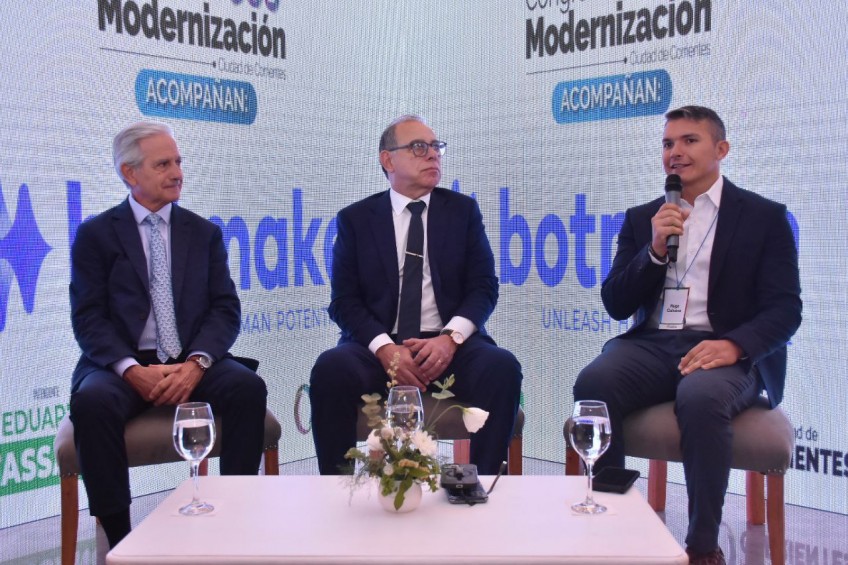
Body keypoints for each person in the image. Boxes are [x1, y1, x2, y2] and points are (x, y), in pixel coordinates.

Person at [573, 106, 801, 565]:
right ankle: (611, 524)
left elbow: (785, 309)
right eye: (667, 143)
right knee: (594, 383)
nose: (675, 152)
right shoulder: (644, 219)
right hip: (654, 344)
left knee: (701, 398)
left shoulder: (764, 217)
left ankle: (701, 547)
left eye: (689, 141)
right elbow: (616, 303)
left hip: (725, 348)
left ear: (721, 149)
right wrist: (655, 251)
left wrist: (735, 346)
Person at [69, 121, 267, 548]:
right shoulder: (95, 235)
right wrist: (129, 369)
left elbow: (225, 309)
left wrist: (197, 364)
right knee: (91, 402)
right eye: (163, 165)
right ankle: (120, 540)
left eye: (178, 162)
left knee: (247, 388)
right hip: (124, 364)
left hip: (191, 359)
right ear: (129, 173)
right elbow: (89, 318)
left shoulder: (204, 233)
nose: (177, 173)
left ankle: (237, 521)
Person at [310, 115, 523, 475]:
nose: (433, 155)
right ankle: (338, 487)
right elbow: (344, 301)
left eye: (436, 147)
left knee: (502, 368)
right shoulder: (356, 220)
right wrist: (385, 348)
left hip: (448, 347)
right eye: (419, 147)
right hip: (378, 348)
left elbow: (484, 286)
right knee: (330, 370)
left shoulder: (462, 212)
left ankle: (478, 484)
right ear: (388, 160)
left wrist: (450, 338)